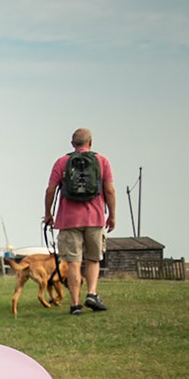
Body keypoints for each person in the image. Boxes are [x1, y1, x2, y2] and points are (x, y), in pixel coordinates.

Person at [44, 127, 119, 315]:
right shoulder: (102, 161)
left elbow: (50, 190)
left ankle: (75, 304)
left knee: (73, 262)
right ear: (90, 142)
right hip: (95, 218)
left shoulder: (62, 162)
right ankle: (92, 294)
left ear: (72, 144)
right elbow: (109, 190)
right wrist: (112, 215)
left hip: (68, 220)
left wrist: (48, 214)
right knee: (93, 259)